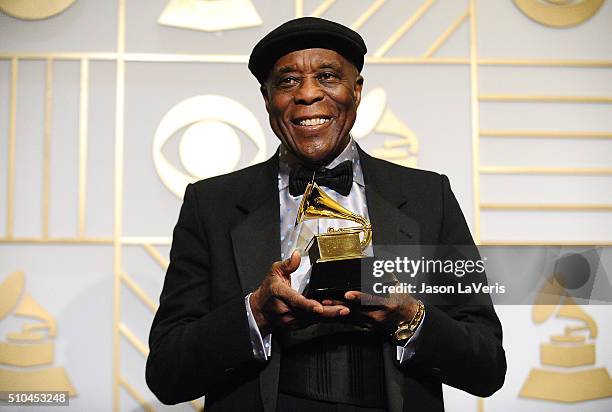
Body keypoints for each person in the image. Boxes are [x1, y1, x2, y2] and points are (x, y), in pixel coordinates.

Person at [146, 17, 506, 412]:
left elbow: (486, 364)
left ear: (356, 89)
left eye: (328, 76)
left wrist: (411, 317)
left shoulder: (427, 196)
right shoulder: (211, 204)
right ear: (267, 100)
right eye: (287, 82)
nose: (308, 94)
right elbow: (167, 372)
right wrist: (257, 313)